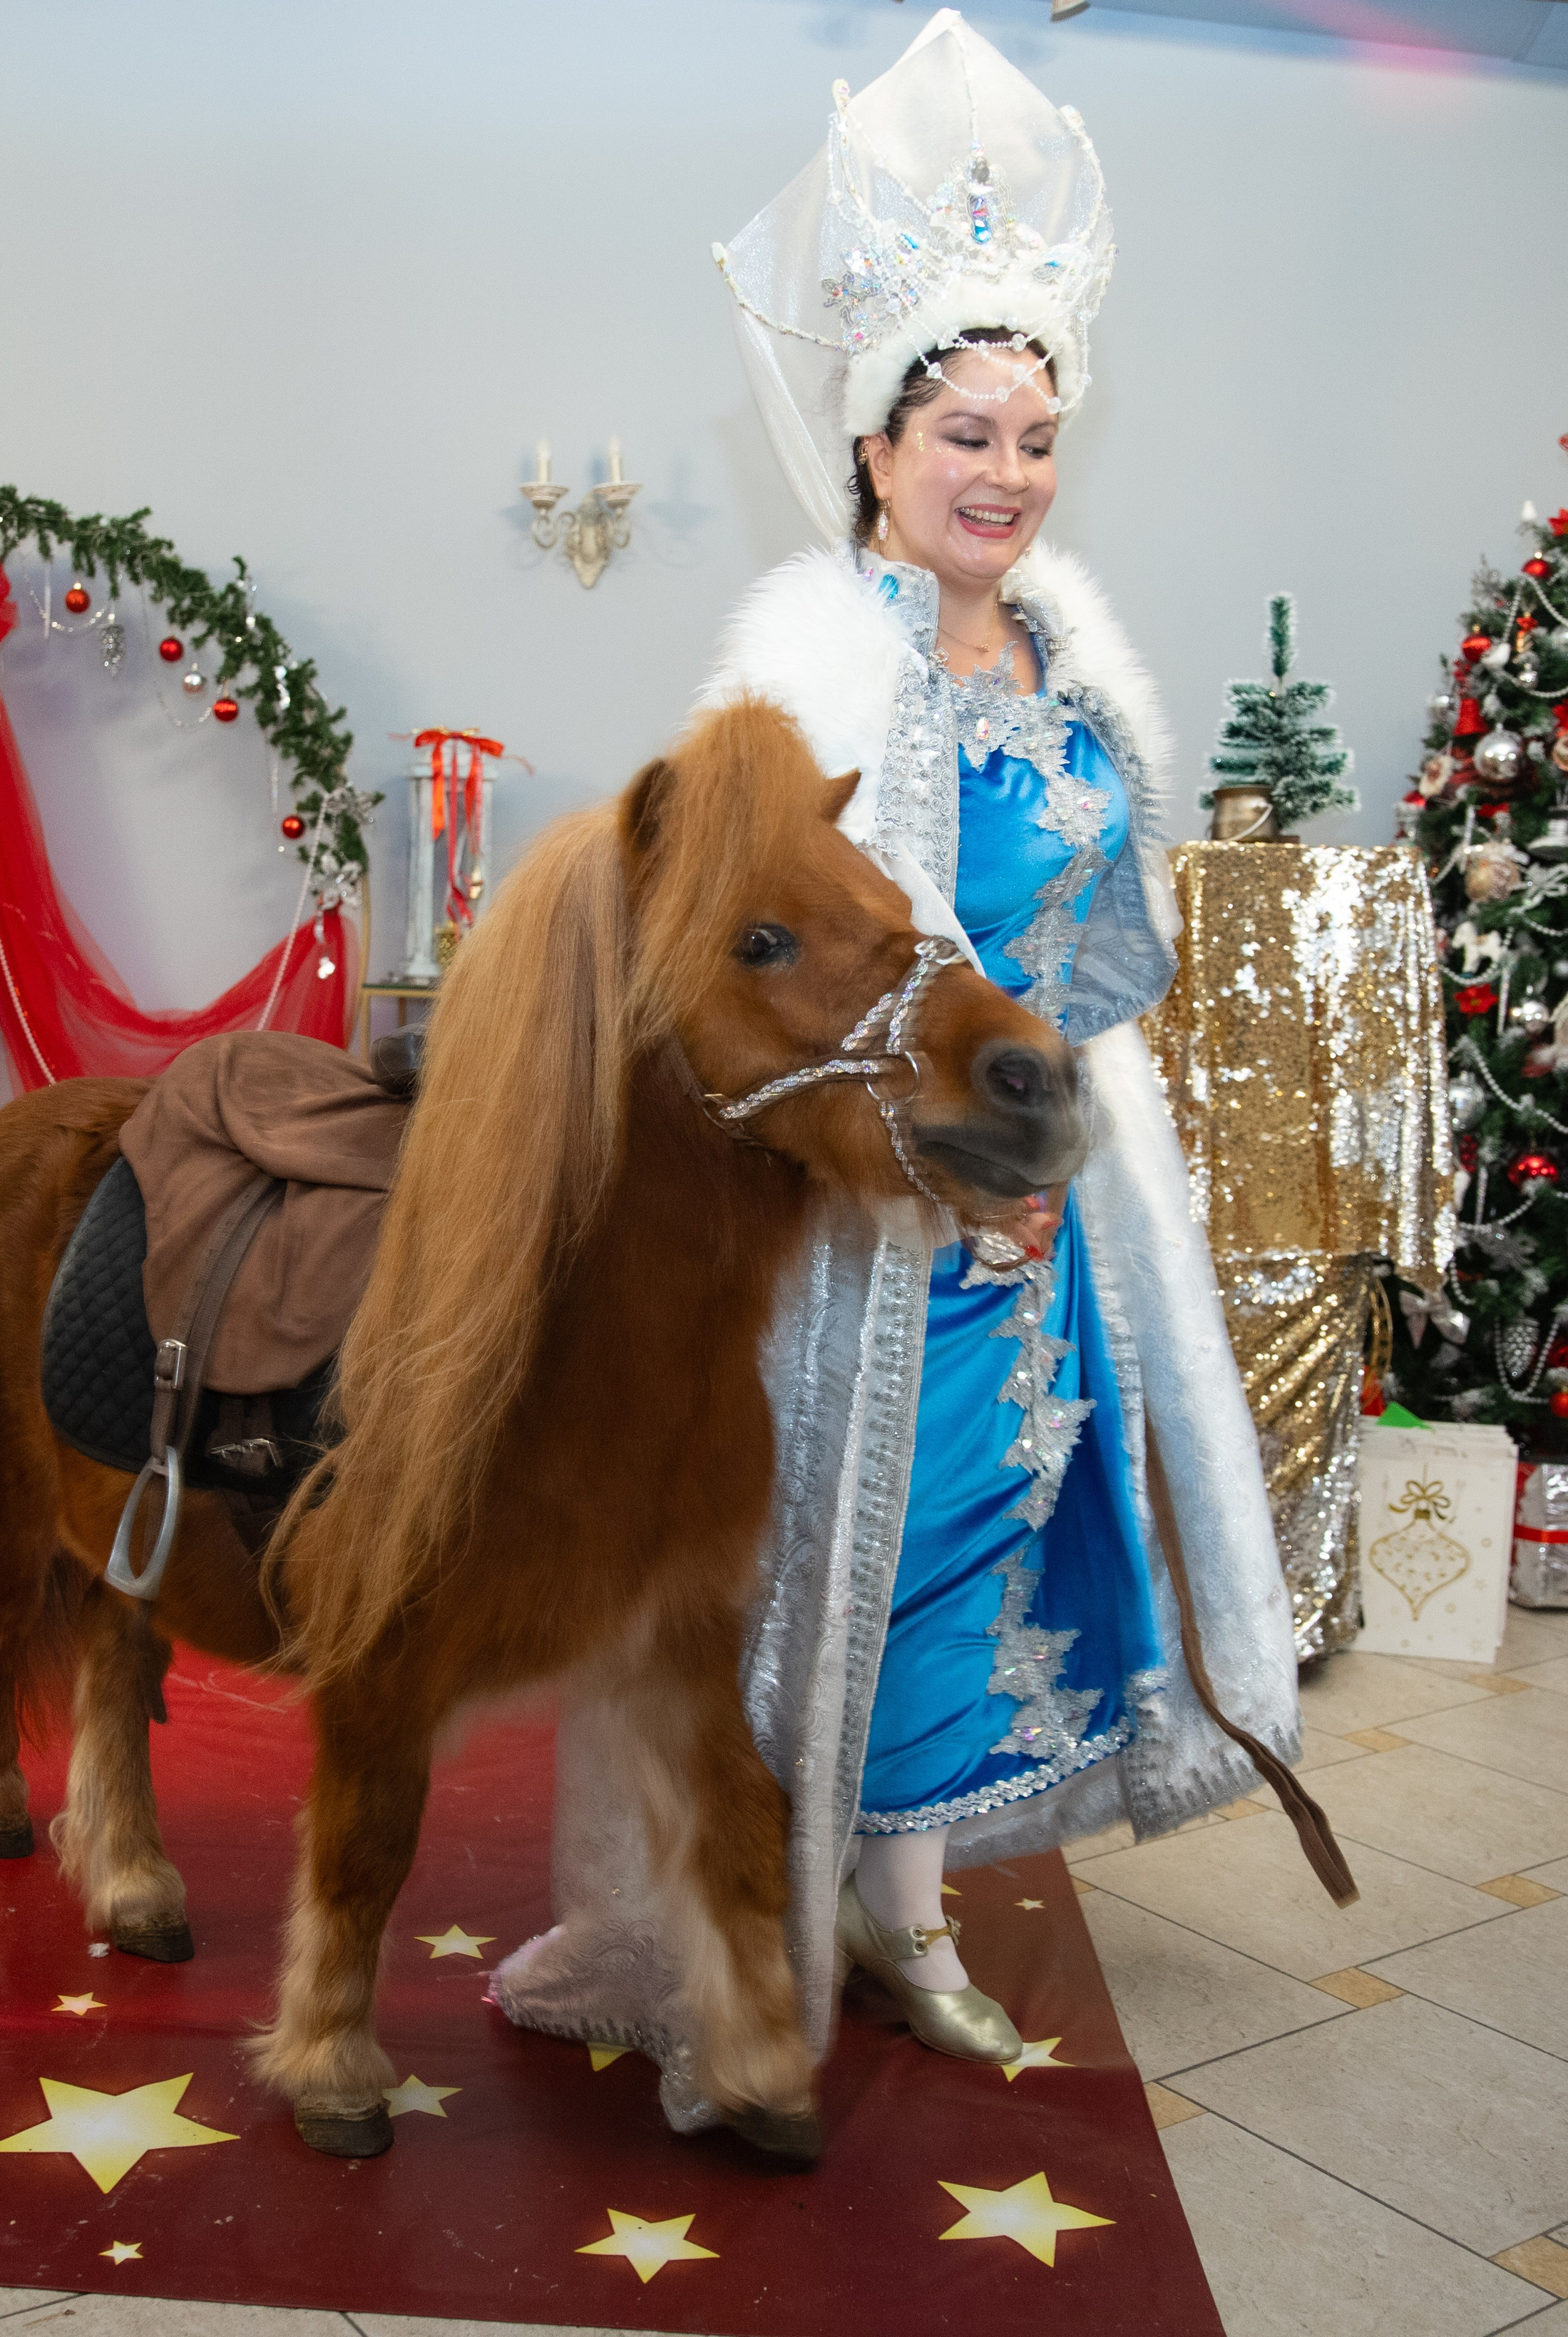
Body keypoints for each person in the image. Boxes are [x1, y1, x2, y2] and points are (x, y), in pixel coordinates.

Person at [494, 9, 1298, 2124]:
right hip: (860, 1213)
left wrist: (1057, 1146)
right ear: (876, 445)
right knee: (813, 1568)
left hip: (1042, 1209)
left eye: (1035, 436)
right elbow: (745, 966)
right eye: (963, 432)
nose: (1004, 473)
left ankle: (906, 1913)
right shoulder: (812, 676)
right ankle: (753, 1914)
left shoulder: (1073, 669)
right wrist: (938, 1144)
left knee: (987, 1542)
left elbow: (1105, 943)